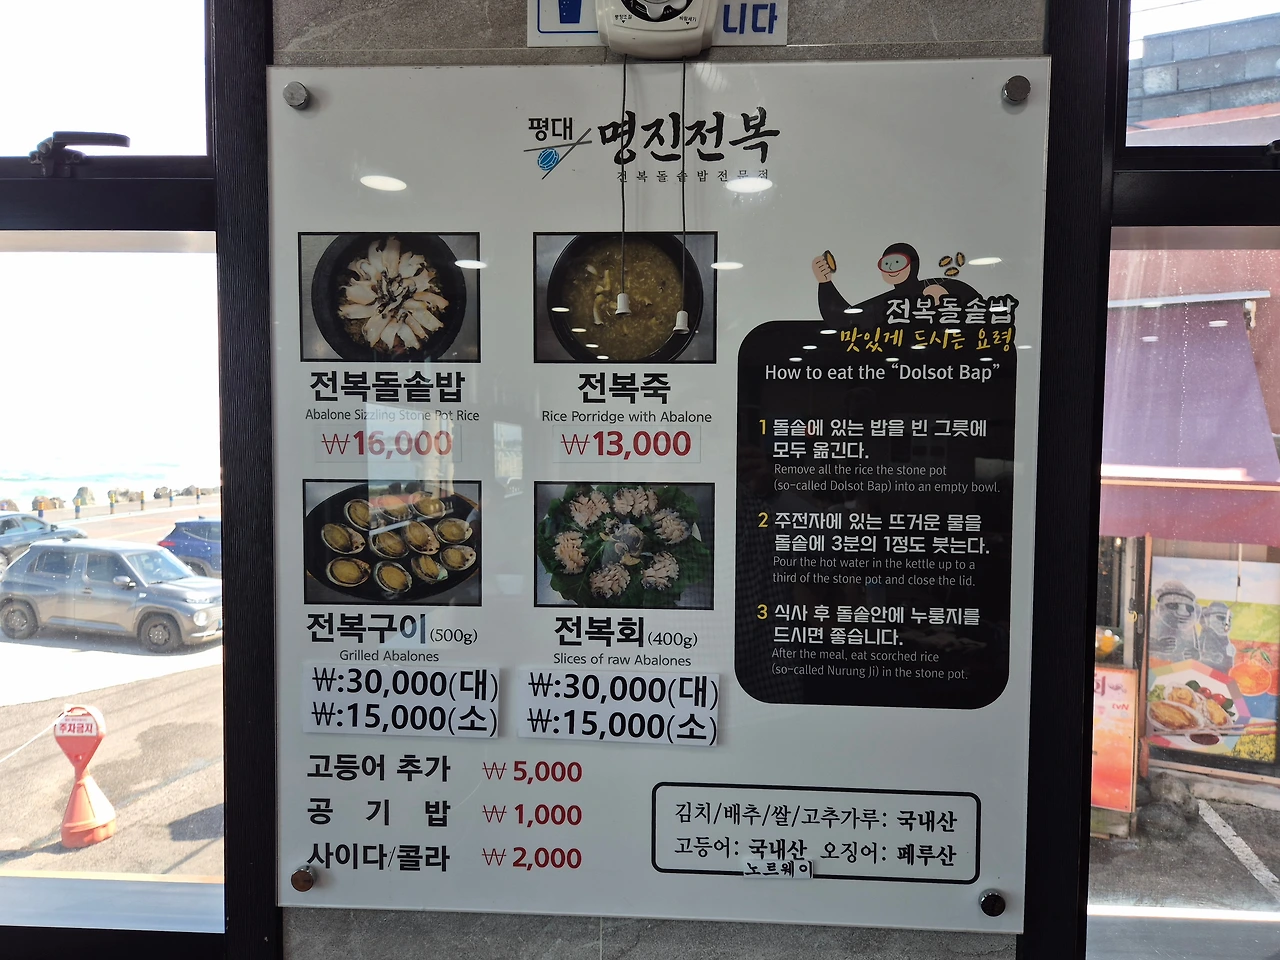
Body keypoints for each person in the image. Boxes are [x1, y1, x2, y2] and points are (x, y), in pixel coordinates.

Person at [812, 242, 982, 328]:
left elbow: (978, 304)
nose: (892, 269)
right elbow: (845, 320)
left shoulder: (936, 285)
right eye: (887, 264)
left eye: (898, 262)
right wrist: (825, 282)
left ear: (912, 265)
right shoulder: (884, 302)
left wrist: (948, 295)